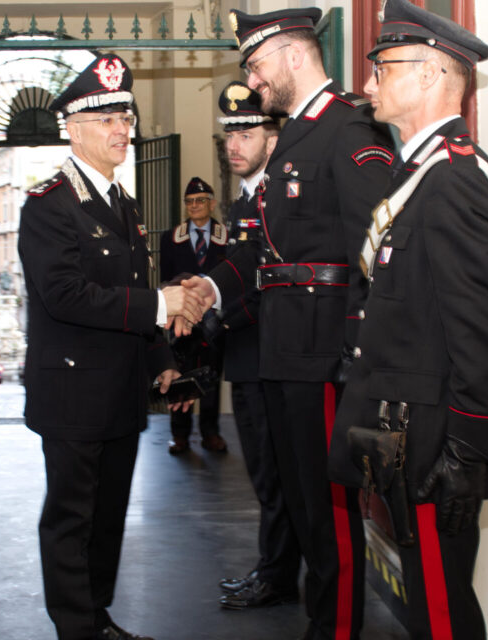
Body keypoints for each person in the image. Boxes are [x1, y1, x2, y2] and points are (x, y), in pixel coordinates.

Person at [182, 9, 396, 638]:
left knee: (329, 517)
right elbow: (267, 251)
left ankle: (334, 630)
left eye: (256, 62)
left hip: (324, 353)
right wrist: (209, 284)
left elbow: (378, 251)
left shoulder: (349, 128)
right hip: (284, 350)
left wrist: (357, 357)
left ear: (293, 55)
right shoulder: (298, 136)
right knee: (305, 509)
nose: (253, 77)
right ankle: (321, 621)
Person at [328, 2, 488, 637]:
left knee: (440, 613)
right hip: (404, 435)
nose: (370, 82)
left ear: (433, 74)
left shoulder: (453, 181)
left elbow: (483, 332)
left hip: (434, 442)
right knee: (426, 606)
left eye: (384, 67)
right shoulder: (418, 175)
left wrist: (469, 450)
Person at [18, 53, 203, 640]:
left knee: (108, 518)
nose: (123, 130)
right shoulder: (49, 204)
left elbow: (132, 294)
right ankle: (76, 628)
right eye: (106, 120)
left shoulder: (122, 204)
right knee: (71, 520)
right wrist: (160, 306)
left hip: (121, 390)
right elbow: (63, 295)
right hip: (73, 392)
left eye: (126, 117)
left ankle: (97, 617)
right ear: (72, 128)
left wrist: (163, 363)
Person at [204, 81, 304, 611]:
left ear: (274, 134)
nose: (235, 144)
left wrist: (216, 313)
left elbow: (273, 283)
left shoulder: (278, 198)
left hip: (272, 357)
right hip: (247, 357)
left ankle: (278, 574)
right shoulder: (245, 198)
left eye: (247, 131)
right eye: (229, 135)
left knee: (275, 476)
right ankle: (273, 568)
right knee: (264, 475)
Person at [158, 177, 227, 454]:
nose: (195, 205)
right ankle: (180, 434)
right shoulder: (170, 237)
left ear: (211, 203)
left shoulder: (228, 236)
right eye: (189, 201)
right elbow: (165, 280)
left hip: (214, 319)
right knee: (180, 374)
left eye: (200, 200)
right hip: (182, 319)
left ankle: (211, 433)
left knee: (211, 376)